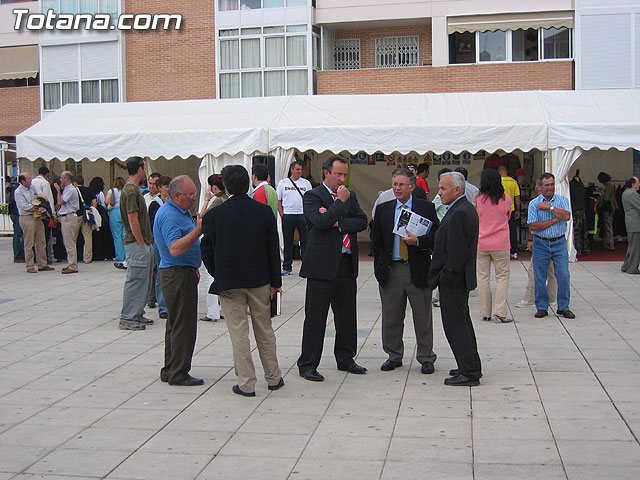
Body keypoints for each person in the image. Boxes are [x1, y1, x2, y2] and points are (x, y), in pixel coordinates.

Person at [201, 165, 284, 397]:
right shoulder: (263, 212)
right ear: (248, 183)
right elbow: (272, 251)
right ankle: (274, 377)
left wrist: (218, 273)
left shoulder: (214, 215)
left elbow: (205, 251)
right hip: (259, 280)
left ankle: (246, 383)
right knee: (265, 330)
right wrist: (275, 282)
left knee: (239, 334)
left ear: (225, 187)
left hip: (229, 282)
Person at [297, 155, 368, 382]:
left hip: (346, 263)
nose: (342, 179)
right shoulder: (312, 196)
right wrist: (338, 204)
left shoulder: (350, 195)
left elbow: (362, 221)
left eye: (345, 174)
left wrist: (339, 222)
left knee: (347, 315)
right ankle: (308, 363)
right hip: (321, 266)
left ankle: (346, 357)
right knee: (316, 317)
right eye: (338, 174)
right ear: (326, 173)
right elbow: (320, 223)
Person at [371, 168, 439, 374]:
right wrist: (380, 265)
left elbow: (437, 234)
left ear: (412, 186)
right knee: (391, 316)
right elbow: (376, 238)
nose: (397, 188)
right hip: (392, 269)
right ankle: (394, 355)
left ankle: (426, 357)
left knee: (422, 316)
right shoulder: (384, 209)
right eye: (395, 185)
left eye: (401, 185)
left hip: (416, 268)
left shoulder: (425, 208)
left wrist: (419, 241)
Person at [428, 172, 481, 387]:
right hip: (457, 279)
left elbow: (457, 252)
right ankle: (469, 364)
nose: (439, 193)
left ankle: (469, 372)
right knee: (462, 323)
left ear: (457, 190)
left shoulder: (460, 212)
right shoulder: (462, 208)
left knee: (456, 326)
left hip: (454, 280)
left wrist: (445, 277)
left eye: (443, 189)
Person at [154, 175, 204, 386]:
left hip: (181, 271)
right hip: (177, 274)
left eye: (195, 194)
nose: (194, 198)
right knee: (183, 326)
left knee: (175, 324)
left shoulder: (178, 212)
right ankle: (179, 372)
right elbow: (175, 248)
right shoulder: (170, 216)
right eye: (190, 195)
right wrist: (198, 231)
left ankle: (171, 368)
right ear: (176, 196)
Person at [528, 173, 575, 319]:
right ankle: (542, 307)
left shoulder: (562, 200)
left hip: (559, 242)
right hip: (541, 243)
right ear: (539, 187)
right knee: (540, 276)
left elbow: (566, 216)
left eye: (552, 184)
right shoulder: (534, 204)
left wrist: (549, 208)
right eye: (547, 185)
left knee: (563, 275)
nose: (550, 188)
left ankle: (563, 307)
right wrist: (555, 219)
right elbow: (534, 226)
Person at [118, 157, 155, 331]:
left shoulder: (131, 190)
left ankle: (137, 312)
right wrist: (141, 243)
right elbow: (133, 220)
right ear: (140, 169)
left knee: (143, 280)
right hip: (136, 243)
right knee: (136, 279)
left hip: (140, 242)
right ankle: (128, 317)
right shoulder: (131, 191)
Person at [475, 169, 513, 323]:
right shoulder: (506, 199)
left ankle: (485, 312)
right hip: (501, 243)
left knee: (483, 278)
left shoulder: (477, 199)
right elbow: (508, 216)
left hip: (481, 243)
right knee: (502, 277)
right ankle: (500, 311)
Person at [276, 161, 312, 276]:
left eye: (301, 169)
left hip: (302, 215)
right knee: (288, 242)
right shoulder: (283, 183)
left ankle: (306, 266)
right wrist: (281, 212)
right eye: (297, 169)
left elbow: (311, 199)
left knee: (305, 241)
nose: (300, 171)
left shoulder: (306, 183)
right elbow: (279, 199)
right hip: (288, 215)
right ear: (291, 170)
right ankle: (287, 266)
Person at [200, 174, 227, 322]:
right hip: (223, 240)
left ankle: (212, 312)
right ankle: (222, 309)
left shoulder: (217, 200)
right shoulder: (227, 198)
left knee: (210, 278)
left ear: (213, 187)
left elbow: (203, 216)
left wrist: (206, 200)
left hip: (213, 241)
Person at [14, 173, 54, 274]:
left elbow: (41, 196)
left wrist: (42, 204)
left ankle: (42, 264)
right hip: (27, 217)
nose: (30, 180)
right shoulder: (18, 192)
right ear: (22, 181)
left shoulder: (32, 187)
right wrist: (36, 207)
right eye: (28, 179)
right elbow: (24, 206)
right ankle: (30, 265)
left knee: (41, 241)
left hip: (38, 217)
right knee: (29, 243)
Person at [148, 175, 171, 320]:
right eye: (166, 186)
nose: (168, 189)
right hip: (159, 242)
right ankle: (163, 306)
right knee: (160, 271)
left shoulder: (172, 202)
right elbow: (152, 225)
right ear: (160, 188)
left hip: (171, 242)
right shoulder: (155, 204)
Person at [53, 171, 80, 274]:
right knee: (67, 241)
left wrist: (58, 191)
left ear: (66, 179)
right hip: (65, 217)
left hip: (69, 217)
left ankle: (73, 265)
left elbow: (61, 202)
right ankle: (71, 263)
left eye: (61, 178)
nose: (60, 180)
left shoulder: (70, 190)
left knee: (69, 242)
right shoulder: (67, 189)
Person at [31, 166, 55, 264]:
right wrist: (52, 214)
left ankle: (35, 257)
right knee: (45, 238)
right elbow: (48, 199)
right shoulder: (45, 183)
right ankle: (45, 257)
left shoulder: (32, 182)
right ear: (47, 174)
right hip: (44, 212)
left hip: (34, 211)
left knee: (34, 238)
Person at [88, 176, 115, 261]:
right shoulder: (100, 194)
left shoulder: (90, 192)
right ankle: (102, 254)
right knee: (102, 236)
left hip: (92, 215)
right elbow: (104, 205)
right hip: (100, 216)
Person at [73, 175, 97, 264]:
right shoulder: (88, 190)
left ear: (75, 182)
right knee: (87, 237)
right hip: (86, 215)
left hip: (76, 215)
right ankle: (87, 258)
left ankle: (73, 258)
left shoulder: (73, 190)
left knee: (73, 238)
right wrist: (92, 210)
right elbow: (95, 202)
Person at [498, 166, 521, 259]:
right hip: (511, 209)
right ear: (506, 171)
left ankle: (502, 249)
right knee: (512, 230)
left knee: (500, 230)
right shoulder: (513, 182)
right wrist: (518, 209)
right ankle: (514, 250)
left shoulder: (498, 182)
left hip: (500, 210)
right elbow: (517, 198)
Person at [106, 177, 126, 268]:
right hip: (123, 211)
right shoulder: (125, 190)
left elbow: (106, 201)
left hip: (114, 212)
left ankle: (120, 256)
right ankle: (126, 255)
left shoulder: (111, 191)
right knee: (124, 234)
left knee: (116, 235)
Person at [621, 176, 640, 274]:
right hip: (635, 224)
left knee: (632, 246)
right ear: (633, 184)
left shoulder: (626, 193)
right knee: (636, 248)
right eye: (638, 183)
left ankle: (626, 266)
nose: (639, 185)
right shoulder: (633, 194)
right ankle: (632, 268)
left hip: (631, 223)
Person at [569, 171, 589, 256]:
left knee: (583, 230)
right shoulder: (572, 184)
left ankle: (585, 248)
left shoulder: (580, 184)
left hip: (581, 209)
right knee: (577, 230)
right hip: (576, 209)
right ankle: (578, 248)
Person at [597, 171, 617, 251]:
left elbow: (606, 197)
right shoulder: (609, 185)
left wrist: (600, 202)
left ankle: (609, 245)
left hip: (607, 208)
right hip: (610, 207)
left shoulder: (608, 186)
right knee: (607, 226)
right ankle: (607, 244)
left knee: (608, 226)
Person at [7, 182, 25, 263]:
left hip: (13, 213)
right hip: (17, 214)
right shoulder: (19, 190)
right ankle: (18, 255)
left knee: (18, 235)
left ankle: (18, 254)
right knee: (18, 235)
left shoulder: (15, 188)